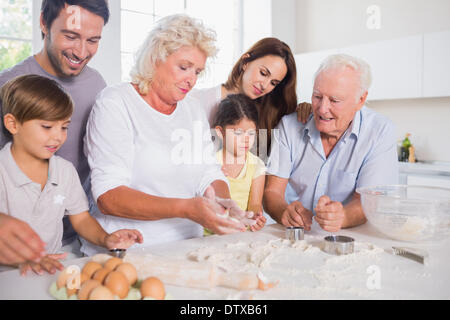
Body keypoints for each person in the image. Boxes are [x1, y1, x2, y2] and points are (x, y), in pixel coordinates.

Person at [82, 14, 256, 256]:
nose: (192, 80)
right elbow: (109, 197)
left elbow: (208, 172)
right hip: (129, 249)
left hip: (189, 247)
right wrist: (187, 208)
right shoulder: (116, 103)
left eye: (197, 71)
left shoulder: (192, 109)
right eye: (184, 67)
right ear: (155, 58)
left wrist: (226, 204)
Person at [0, 75, 143, 275]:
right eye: (47, 127)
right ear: (13, 124)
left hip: (50, 269)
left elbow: (82, 219)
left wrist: (106, 239)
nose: (58, 136)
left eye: (64, 127)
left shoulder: (64, 171)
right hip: (8, 276)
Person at [0, 0, 110, 259]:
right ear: (44, 24)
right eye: (71, 36)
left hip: (71, 239)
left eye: (93, 40)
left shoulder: (97, 85)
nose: (81, 51)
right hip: (13, 250)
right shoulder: (8, 86)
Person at [263, 54, 399, 232]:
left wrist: (343, 216)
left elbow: (371, 202)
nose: (322, 109)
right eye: (317, 96)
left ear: (361, 100)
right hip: (294, 235)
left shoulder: (379, 131)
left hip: (349, 237)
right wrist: (283, 211)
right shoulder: (289, 126)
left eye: (334, 100)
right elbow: (272, 192)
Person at [189, 37, 311, 160]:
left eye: (273, 83)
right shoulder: (198, 101)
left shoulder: (268, 114)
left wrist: (305, 110)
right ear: (245, 62)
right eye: (263, 73)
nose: (264, 85)